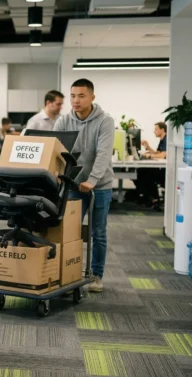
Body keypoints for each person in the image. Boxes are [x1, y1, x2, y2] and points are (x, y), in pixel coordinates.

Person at [54, 79, 114, 293]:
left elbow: (103, 154)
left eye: (81, 96)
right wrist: (56, 174)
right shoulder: (63, 121)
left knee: (98, 232)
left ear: (92, 97)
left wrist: (92, 180)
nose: (76, 100)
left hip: (100, 186)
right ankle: (69, 274)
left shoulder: (105, 121)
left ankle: (96, 275)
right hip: (73, 185)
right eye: (72, 96)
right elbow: (55, 151)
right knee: (70, 231)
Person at [135, 122, 167, 207]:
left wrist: (149, 156)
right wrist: (148, 147)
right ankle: (149, 196)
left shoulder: (166, 139)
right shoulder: (162, 140)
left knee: (143, 172)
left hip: (164, 172)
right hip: (161, 169)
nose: (154, 131)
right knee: (142, 171)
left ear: (162, 130)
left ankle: (151, 197)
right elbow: (158, 153)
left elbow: (163, 155)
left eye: (156, 129)